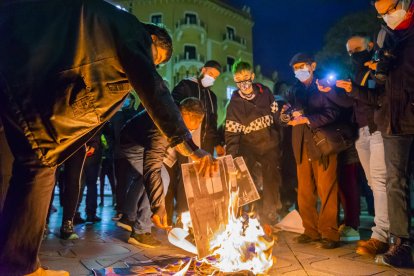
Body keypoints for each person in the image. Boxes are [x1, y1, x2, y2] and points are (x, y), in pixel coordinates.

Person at [0, 2, 216, 275]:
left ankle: (15, 262)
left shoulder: (105, 29)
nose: (152, 65)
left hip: (19, 69)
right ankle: (19, 266)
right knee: (38, 168)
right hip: (23, 79)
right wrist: (189, 147)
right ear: (151, 40)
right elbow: (152, 86)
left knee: (28, 166)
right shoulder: (131, 31)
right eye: (155, 59)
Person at [349, 0, 414, 267]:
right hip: (392, 120)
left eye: (390, 9)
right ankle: (402, 244)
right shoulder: (388, 36)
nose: (387, 16)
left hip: (404, 113)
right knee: (394, 183)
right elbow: (381, 90)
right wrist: (382, 70)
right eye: (381, 13)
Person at [119, 97, 205, 247]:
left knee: (144, 180)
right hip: (132, 146)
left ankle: (128, 216)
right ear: (182, 115)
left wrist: (198, 152)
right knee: (161, 178)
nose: (190, 131)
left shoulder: (176, 114)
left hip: (135, 138)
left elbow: (183, 136)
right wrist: (159, 207)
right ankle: (141, 231)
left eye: (194, 129)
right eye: (189, 126)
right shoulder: (160, 128)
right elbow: (152, 168)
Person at [335, 33, 390, 256]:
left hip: (378, 128)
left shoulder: (379, 66)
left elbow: (379, 97)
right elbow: (352, 102)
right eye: (349, 52)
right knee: (372, 181)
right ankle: (384, 232)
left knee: (380, 181)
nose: (352, 55)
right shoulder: (357, 72)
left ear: (369, 45)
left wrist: (353, 90)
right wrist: (335, 92)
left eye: (356, 50)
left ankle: (382, 234)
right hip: (361, 131)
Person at [283, 53, 341, 249]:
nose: (299, 70)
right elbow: (288, 111)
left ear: (312, 65)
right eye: (295, 68)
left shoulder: (324, 86)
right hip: (301, 145)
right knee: (305, 191)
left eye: (302, 66)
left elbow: (333, 112)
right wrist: (286, 114)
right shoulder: (294, 90)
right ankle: (311, 230)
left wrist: (308, 118)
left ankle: (330, 233)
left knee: (327, 189)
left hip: (322, 144)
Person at [225, 60, 282, 225]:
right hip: (248, 146)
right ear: (234, 79)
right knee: (246, 179)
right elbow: (231, 133)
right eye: (238, 77)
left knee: (271, 179)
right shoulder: (233, 106)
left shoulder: (266, 93)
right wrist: (232, 157)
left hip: (269, 143)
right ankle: (247, 212)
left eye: (245, 76)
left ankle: (270, 213)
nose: (243, 81)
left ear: (252, 76)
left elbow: (276, 116)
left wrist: (282, 125)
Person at [172, 60, 225, 156]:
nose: (212, 78)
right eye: (211, 74)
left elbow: (213, 122)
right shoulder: (186, 85)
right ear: (203, 70)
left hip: (206, 145)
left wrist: (217, 143)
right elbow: (173, 108)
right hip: (186, 140)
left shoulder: (212, 96)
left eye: (215, 77)